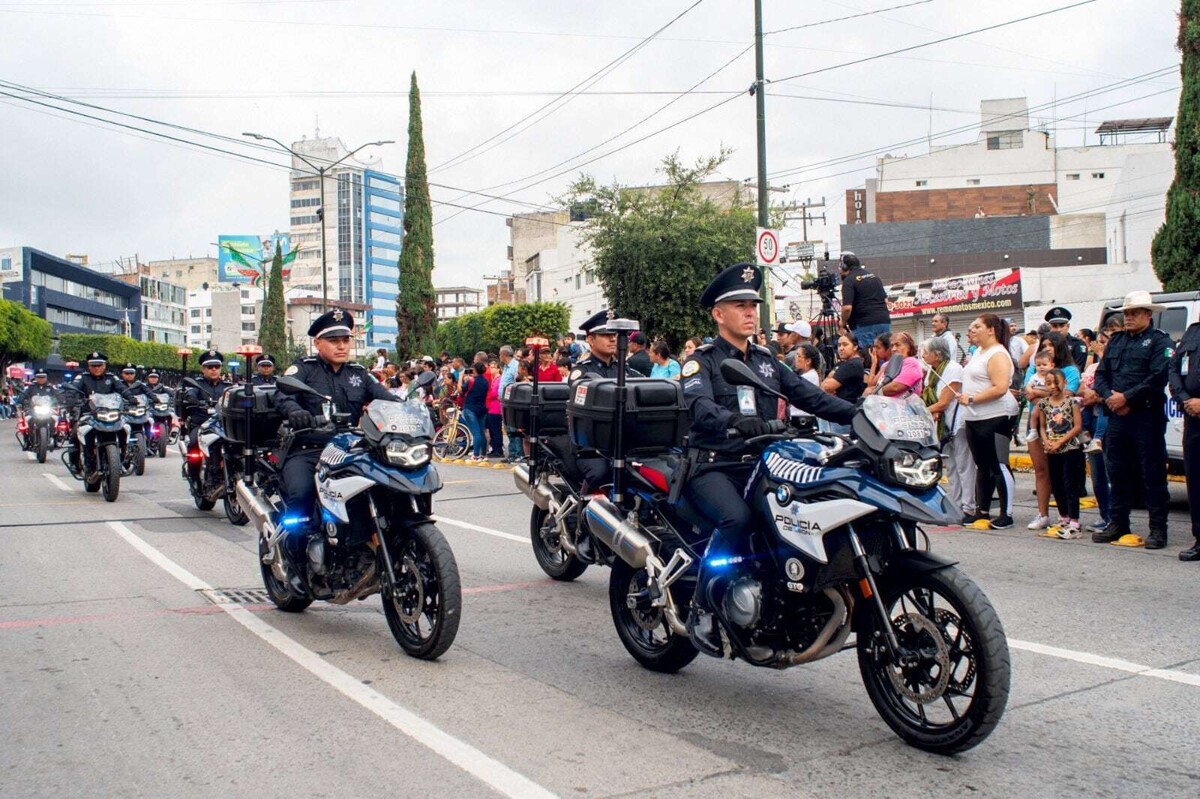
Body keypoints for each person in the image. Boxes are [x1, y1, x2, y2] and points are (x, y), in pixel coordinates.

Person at [680, 263, 856, 657]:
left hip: (763, 464)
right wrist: (735, 422)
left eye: (752, 305)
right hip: (714, 464)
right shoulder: (702, 361)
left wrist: (860, 412)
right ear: (718, 313)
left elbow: (810, 397)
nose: (748, 312)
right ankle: (703, 608)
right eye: (739, 305)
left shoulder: (765, 361)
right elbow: (700, 406)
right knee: (738, 520)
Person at [272, 309, 399, 583]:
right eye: (334, 340)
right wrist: (295, 411)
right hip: (309, 449)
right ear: (318, 343)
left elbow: (384, 397)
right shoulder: (303, 369)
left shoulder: (358, 374)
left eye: (345, 340)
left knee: (387, 486)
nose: (341, 346)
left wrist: (408, 409)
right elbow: (281, 393)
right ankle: (295, 563)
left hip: (350, 449)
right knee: (301, 496)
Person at [1091, 291, 1174, 548]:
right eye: (1126, 313)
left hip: (1145, 417)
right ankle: (1118, 522)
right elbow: (1101, 376)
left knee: (1152, 475)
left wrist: (1126, 398)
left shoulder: (1161, 342)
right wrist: (1110, 398)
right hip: (1117, 417)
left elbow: (1158, 377)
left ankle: (1158, 529)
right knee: (1117, 472)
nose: (1128, 317)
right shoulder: (1116, 342)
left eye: (1134, 312)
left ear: (1148, 315)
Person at [957, 315, 1019, 529]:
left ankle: (1006, 513)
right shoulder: (979, 353)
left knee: (998, 464)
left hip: (997, 416)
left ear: (991, 330)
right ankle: (981, 510)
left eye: (977, 326)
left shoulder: (998, 354)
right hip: (974, 417)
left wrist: (972, 398)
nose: (972, 330)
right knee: (982, 465)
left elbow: (1000, 387)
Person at [921, 336, 974, 523]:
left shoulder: (953, 369)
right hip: (943, 425)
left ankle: (969, 506)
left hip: (956, 423)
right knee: (951, 466)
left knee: (963, 465)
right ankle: (957, 504)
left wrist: (920, 412)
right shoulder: (932, 371)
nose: (923, 356)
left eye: (926, 352)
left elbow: (943, 402)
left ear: (937, 354)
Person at [1032, 369, 1085, 539]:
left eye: (1056, 382)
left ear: (1064, 383)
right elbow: (1042, 425)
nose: (1053, 386)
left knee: (1071, 483)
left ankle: (1075, 521)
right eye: (1048, 383)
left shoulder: (1072, 403)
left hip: (1070, 448)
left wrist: (1060, 442)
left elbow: (1077, 426)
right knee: (1056, 483)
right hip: (1051, 448)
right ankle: (1064, 517)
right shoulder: (1043, 404)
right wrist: (1046, 440)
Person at [1169, 314, 1200, 562]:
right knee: (1196, 480)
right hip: (1193, 418)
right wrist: (1184, 399)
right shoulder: (1192, 332)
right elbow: (1174, 369)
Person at [838, 252, 890, 351]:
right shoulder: (874, 277)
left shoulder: (848, 281)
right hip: (884, 321)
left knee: (868, 356)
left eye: (840, 268)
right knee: (885, 353)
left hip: (864, 325)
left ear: (844, 267)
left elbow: (847, 308)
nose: (839, 271)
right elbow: (885, 300)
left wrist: (842, 322)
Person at [821, 333, 867, 435]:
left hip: (843, 412)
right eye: (839, 345)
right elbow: (824, 385)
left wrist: (832, 376)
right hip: (838, 411)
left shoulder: (852, 364)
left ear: (855, 346)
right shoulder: (843, 364)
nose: (841, 348)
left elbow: (827, 386)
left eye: (845, 345)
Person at [873, 332, 923, 397]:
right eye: (892, 346)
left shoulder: (911, 363)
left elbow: (895, 387)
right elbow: (874, 384)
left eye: (898, 345)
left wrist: (874, 392)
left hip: (904, 406)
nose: (893, 349)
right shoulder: (891, 363)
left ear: (909, 347)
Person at [459, 361, 490, 462]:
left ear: (475, 370)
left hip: (470, 407)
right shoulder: (486, 381)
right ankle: (484, 454)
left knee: (476, 433)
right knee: (481, 431)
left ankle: (475, 455)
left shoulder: (471, 380)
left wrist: (460, 378)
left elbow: (460, 390)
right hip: (482, 407)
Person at [1044, 306, 1089, 372]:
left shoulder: (1077, 344)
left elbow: (1078, 369)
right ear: (1050, 328)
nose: (1059, 330)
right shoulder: (1045, 344)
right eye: (1055, 326)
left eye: (1062, 326)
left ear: (1068, 326)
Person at [485, 359, 505, 458]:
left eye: (493, 367)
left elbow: (494, 393)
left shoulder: (499, 379)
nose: (491, 369)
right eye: (490, 367)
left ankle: (498, 449)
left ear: (498, 369)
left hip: (496, 408)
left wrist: (488, 393)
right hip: (491, 407)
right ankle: (494, 448)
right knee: (492, 429)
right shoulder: (493, 380)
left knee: (496, 429)